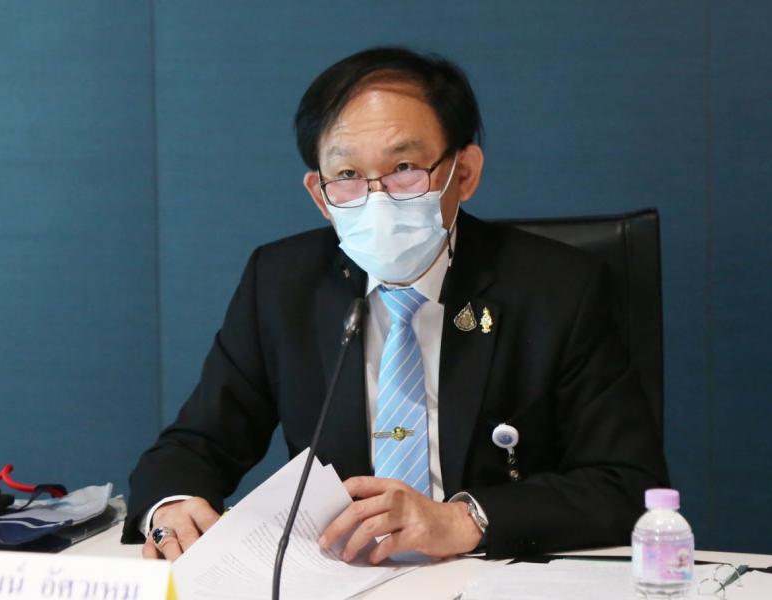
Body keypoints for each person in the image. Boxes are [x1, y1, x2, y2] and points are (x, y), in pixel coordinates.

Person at [122, 46, 668, 563]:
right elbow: (192, 447)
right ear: (319, 195)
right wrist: (171, 506)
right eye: (347, 175)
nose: (377, 197)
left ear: (465, 173)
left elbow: (628, 484)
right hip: (342, 578)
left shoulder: (556, 287)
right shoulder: (283, 283)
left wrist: (465, 519)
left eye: (405, 167)